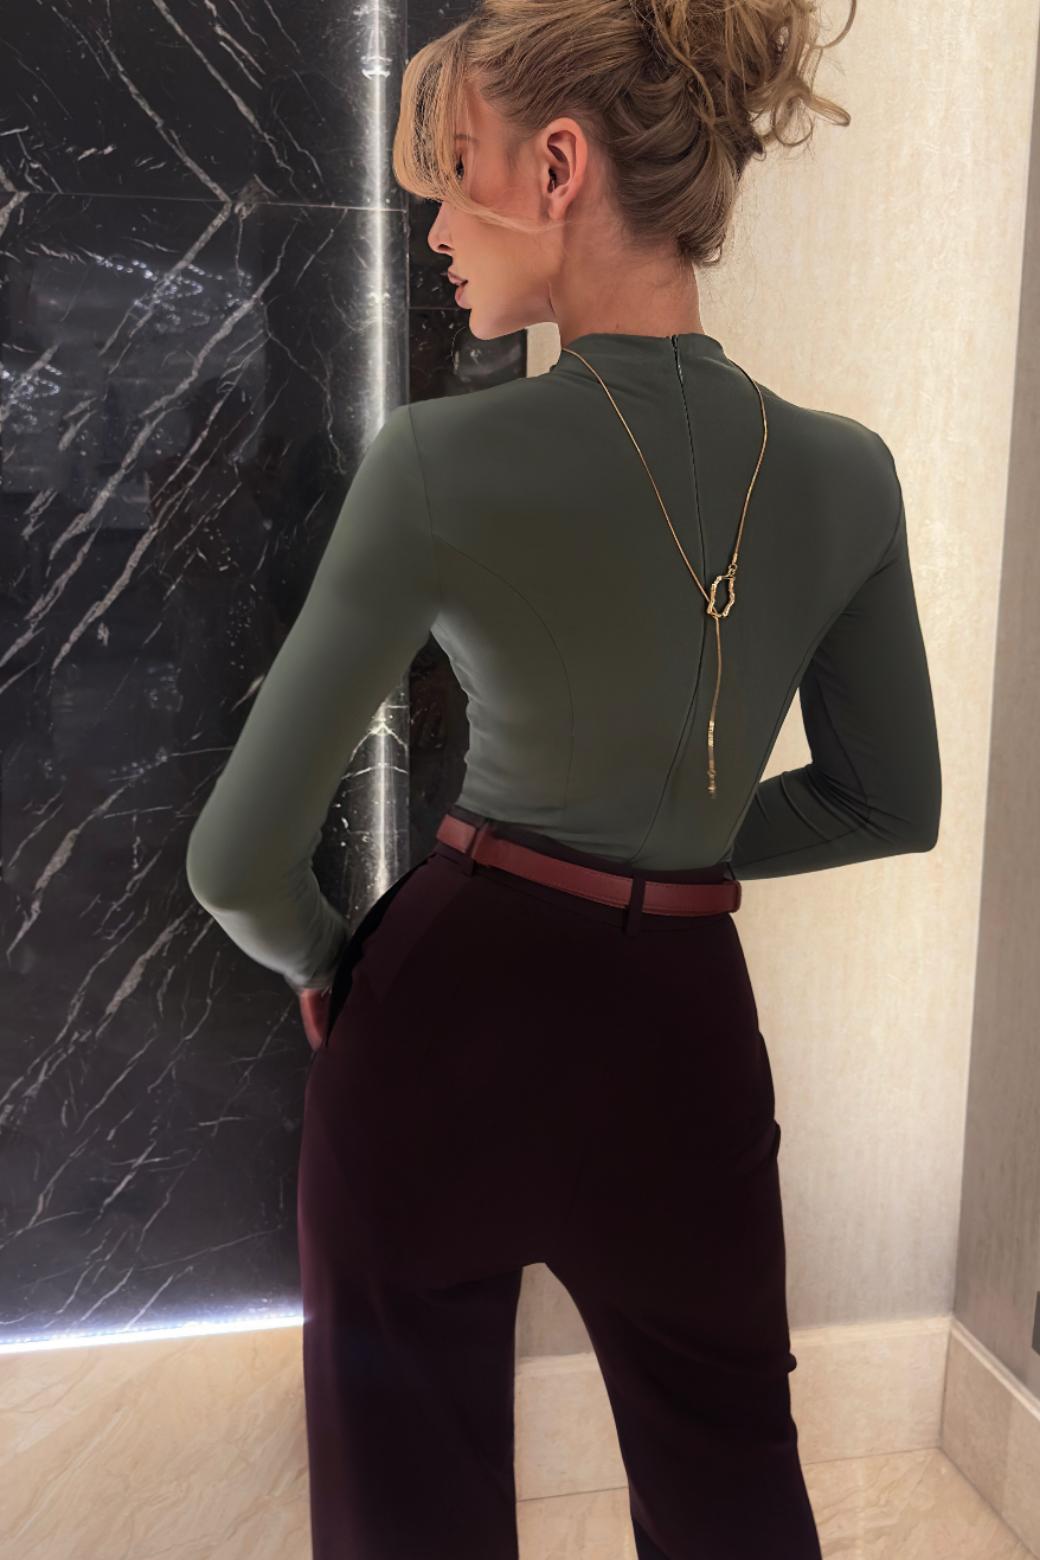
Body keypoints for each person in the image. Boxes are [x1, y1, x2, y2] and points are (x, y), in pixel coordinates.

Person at [185, 0, 941, 1555]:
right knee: (734, 1494)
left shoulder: (438, 461)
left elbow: (236, 861)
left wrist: (333, 964)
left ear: (557, 166)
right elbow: (888, 799)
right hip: (685, 1038)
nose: (435, 228)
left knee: (409, 1510)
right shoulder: (848, 475)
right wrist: (679, 842)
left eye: (457, 173)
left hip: (444, 1020)